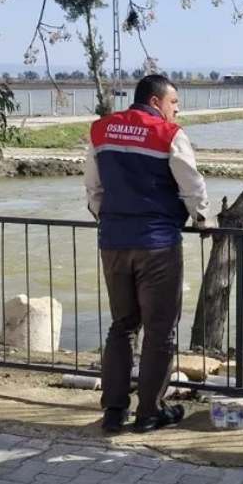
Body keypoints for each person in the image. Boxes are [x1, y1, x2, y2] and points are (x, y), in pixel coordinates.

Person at [85, 74, 210, 434]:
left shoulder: (101, 130)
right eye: (174, 103)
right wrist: (203, 220)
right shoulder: (168, 134)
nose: (176, 111)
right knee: (160, 330)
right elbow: (191, 184)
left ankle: (113, 411)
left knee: (122, 327)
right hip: (157, 244)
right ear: (156, 102)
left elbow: (93, 187)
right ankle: (149, 413)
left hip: (113, 242)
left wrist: (104, 217)